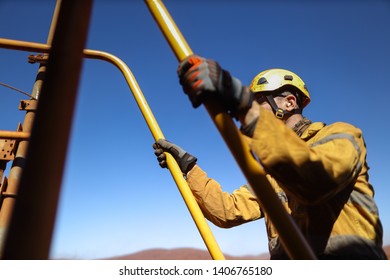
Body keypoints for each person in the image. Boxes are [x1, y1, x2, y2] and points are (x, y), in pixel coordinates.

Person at [153, 55, 387, 260]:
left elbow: (315, 181)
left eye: (259, 102)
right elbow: (226, 211)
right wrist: (188, 168)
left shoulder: (341, 135)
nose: (250, 110)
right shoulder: (272, 173)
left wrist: (242, 102)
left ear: (289, 102)